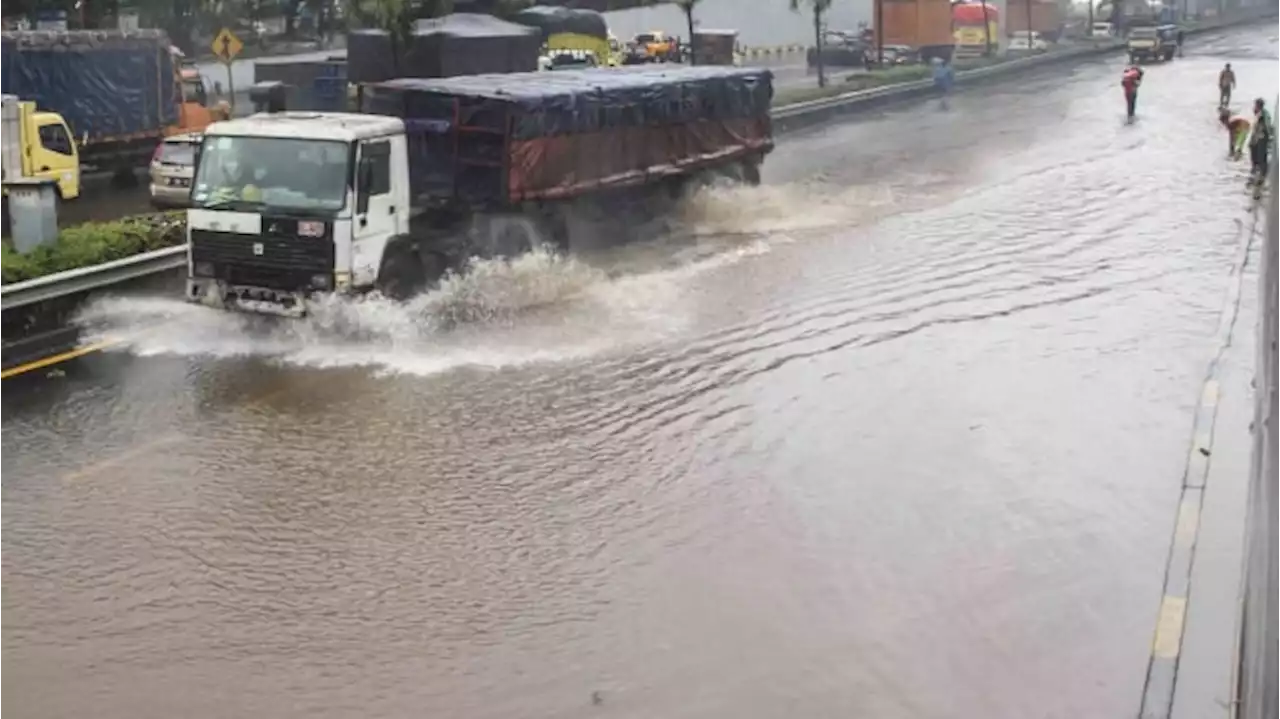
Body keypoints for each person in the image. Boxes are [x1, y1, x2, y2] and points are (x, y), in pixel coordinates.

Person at [1249, 98, 1272, 186]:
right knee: (1255, 153)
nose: (1254, 107)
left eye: (1255, 105)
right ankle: (1256, 170)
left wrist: (1267, 136)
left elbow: (1266, 126)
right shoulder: (1259, 113)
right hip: (1257, 137)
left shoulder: (1263, 114)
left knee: (1261, 156)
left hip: (1261, 137)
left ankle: (1262, 175)